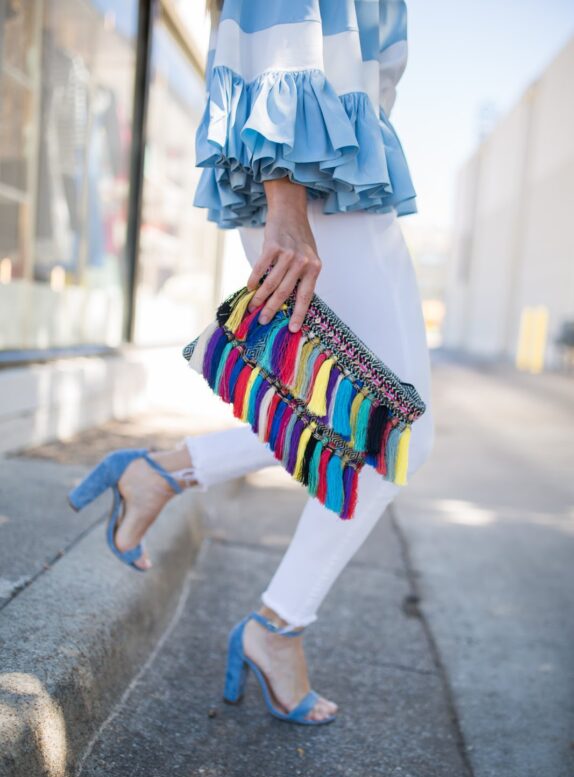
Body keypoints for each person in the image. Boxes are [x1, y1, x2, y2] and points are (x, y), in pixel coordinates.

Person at [69, 0, 434, 725]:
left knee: (367, 425)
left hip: (346, 161)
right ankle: (275, 625)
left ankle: (168, 476)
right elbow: (281, 23)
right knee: (391, 435)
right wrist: (286, 201)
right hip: (312, 172)